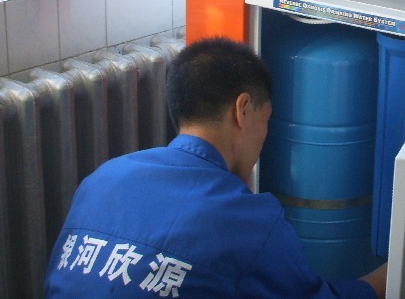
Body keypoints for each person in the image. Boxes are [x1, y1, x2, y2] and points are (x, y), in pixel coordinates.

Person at [44, 37, 387, 298]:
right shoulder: (249, 222)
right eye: (266, 119)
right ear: (243, 109)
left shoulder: (103, 179)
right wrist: (393, 272)